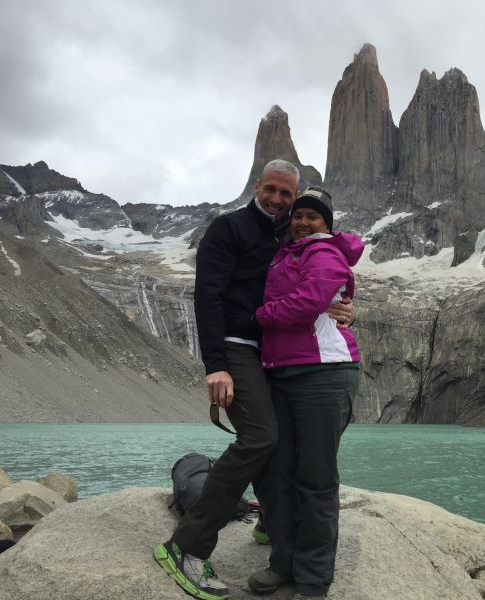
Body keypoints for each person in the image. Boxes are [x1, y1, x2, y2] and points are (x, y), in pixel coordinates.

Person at [154, 161, 354, 600]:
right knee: (262, 437)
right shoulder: (228, 229)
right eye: (272, 190)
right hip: (235, 348)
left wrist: (339, 304)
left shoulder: (287, 238)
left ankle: (275, 532)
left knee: (276, 447)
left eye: (287, 194)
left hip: (270, 357)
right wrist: (215, 365)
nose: (279, 201)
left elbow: (313, 283)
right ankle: (185, 546)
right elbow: (206, 297)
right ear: (257, 186)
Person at [247, 187, 362, 600]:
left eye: (314, 216)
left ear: (326, 223)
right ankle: (283, 562)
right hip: (281, 374)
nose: (303, 222)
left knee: (315, 478)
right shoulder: (284, 252)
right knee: (280, 473)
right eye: (298, 215)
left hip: (324, 374)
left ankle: (312, 579)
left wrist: (258, 317)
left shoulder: (325, 252)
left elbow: (311, 300)